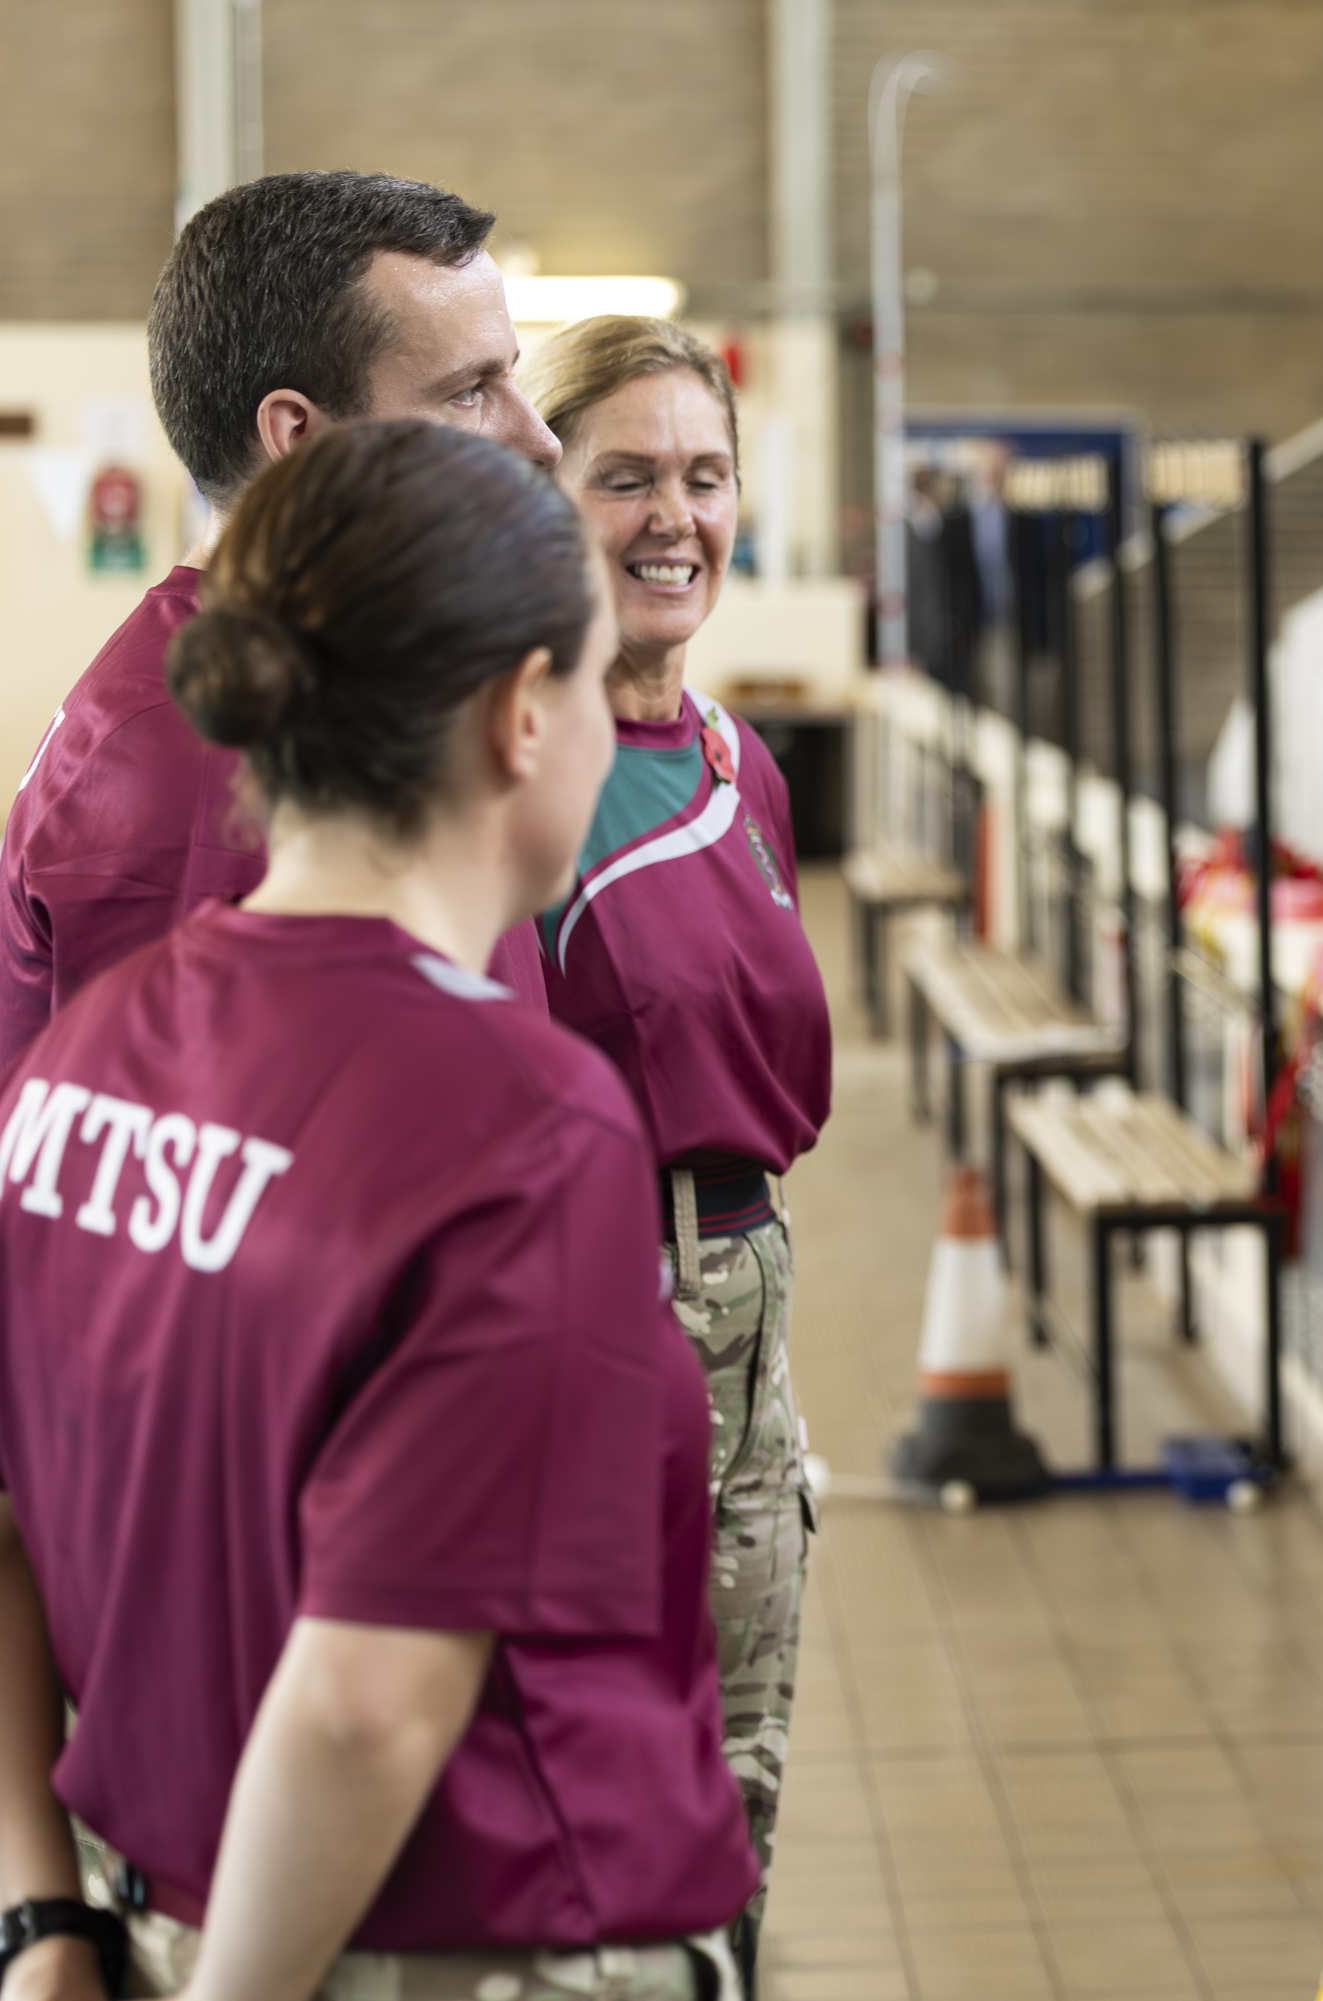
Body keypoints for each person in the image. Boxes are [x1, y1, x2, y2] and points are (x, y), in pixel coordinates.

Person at [0, 419, 759, 2001]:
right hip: (464, 1941)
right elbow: (366, 1703)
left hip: (151, 1916)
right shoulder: (519, 1124)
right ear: (517, 716)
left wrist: (34, 1928)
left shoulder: (91, 1053)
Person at [0, 170, 564, 1101]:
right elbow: (185, 1212)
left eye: (513, 380)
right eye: (468, 394)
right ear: (298, 436)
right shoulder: (198, 754)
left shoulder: (340, 679)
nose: (539, 439)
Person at [520, 317, 832, 1970]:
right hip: (590, 1327)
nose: (673, 517)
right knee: (605, 1813)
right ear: (538, 498)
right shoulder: (514, 773)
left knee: (740, 1796)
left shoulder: (736, 763)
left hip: (748, 1308)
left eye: (702, 477)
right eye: (622, 476)